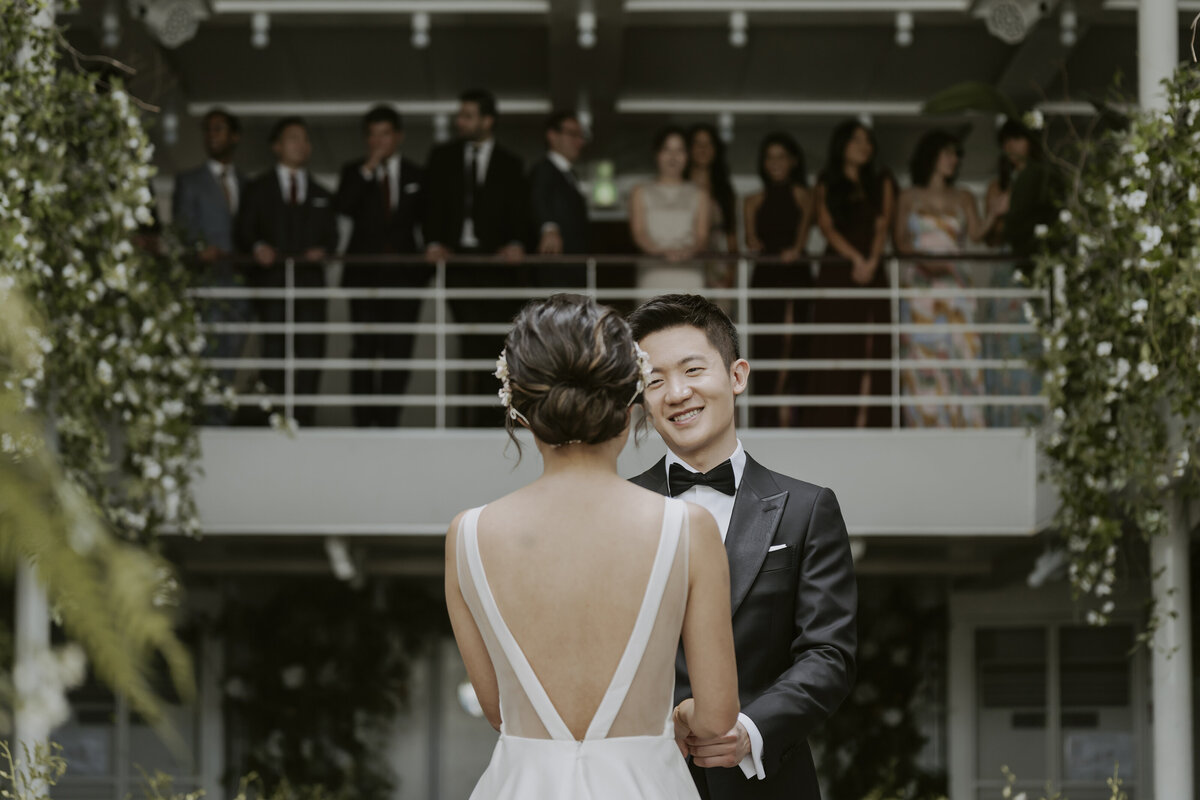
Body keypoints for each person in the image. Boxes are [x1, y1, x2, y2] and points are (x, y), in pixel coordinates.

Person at [445, 294, 739, 799]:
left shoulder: (468, 534)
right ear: (631, 405)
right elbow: (716, 718)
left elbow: (499, 711)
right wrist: (683, 715)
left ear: (519, 410)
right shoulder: (687, 527)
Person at [628, 294, 857, 800]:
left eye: (692, 369)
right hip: (643, 779)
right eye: (656, 380)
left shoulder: (807, 508)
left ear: (737, 375)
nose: (677, 393)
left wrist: (748, 730)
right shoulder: (617, 510)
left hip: (768, 782)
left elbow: (829, 653)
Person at [423, 89, 529, 426]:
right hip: (457, 262)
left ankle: (490, 418)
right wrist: (433, 241)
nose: (460, 121)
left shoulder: (511, 164)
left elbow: (520, 213)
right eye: (461, 115)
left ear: (488, 120)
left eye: (468, 115)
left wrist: (515, 242)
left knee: (494, 343)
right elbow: (430, 206)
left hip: (496, 266)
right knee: (467, 340)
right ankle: (465, 417)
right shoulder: (442, 157)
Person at [894, 130, 1004, 428]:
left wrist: (994, 213)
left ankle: (964, 421)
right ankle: (925, 421)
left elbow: (978, 234)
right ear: (931, 156)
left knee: (960, 349)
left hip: (954, 284)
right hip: (921, 285)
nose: (953, 160)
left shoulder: (964, 195)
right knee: (923, 354)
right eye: (948, 153)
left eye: (956, 155)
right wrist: (925, 261)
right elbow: (900, 241)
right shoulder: (908, 196)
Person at [236, 116, 337, 428]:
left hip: (310, 286)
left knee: (310, 350)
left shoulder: (322, 191)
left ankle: (303, 419)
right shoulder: (257, 188)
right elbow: (243, 231)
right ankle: (274, 417)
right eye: (293, 138)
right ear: (276, 146)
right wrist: (257, 247)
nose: (301, 145)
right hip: (273, 284)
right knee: (275, 351)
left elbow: (332, 238)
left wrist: (323, 251)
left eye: (305, 139)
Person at [335, 105, 427, 428]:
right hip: (364, 278)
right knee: (363, 350)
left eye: (385, 134)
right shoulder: (353, 172)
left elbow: (428, 224)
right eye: (372, 135)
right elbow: (343, 206)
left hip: (405, 279)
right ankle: (363, 421)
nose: (378, 141)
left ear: (398, 136)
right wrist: (369, 168)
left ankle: (388, 420)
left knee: (398, 351)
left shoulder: (418, 174)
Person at [805, 119, 896, 428]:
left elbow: (883, 224)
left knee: (873, 341)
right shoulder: (826, 181)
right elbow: (827, 227)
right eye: (857, 140)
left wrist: (871, 260)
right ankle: (835, 418)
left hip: (873, 267)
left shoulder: (881, 179)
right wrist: (856, 258)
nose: (864, 147)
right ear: (842, 145)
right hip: (839, 269)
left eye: (868, 141)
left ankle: (869, 419)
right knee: (837, 342)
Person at [172, 108, 249, 421]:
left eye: (218, 129)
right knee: (207, 356)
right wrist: (198, 252)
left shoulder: (247, 182)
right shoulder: (188, 182)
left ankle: (222, 417)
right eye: (207, 130)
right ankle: (208, 418)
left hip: (239, 285)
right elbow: (180, 233)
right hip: (205, 283)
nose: (211, 136)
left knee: (232, 356)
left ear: (234, 136)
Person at [742, 132, 814, 428]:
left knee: (795, 338)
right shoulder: (752, 201)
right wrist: (763, 247)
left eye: (781, 156)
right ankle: (767, 414)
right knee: (768, 342)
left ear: (793, 160)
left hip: (795, 272)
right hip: (767, 274)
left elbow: (802, 239)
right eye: (770, 157)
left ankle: (793, 413)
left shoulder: (803, 195)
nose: (775, 163)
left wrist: (794, 251)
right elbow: (751, 240)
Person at [982, 119, 1047, 426]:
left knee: (1034, 343)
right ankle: (1007, 418)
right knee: (1007, 344)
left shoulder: (1045, 179)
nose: (1012, 147)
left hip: (1035, 269)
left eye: (1017, 139)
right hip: (1007, 271)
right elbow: (991, 238)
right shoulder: (999, 186)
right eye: (1006, 141)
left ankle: (1036, 416)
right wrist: (998, 213)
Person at [630, 127, 710, 291]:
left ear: (687, 156)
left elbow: (702, 237)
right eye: (667, 149)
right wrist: (660, 252)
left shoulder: (700, 193)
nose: (673, 157)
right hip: (653, 272)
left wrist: (688, 252)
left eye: (679, 150)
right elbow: (639, 233)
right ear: (657, 154)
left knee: (690, 316)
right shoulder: (639, 191)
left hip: (689, 272)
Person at [528, 111, 589, 288]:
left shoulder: (570, 174)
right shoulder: (543, 169)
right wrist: (549, 227)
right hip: (555, 265)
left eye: (581, 135)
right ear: (552, 136)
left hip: (571, 264)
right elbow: (538, 198)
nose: (580, 141)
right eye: (572, 134)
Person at [687, 123, 738, 291]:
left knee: (716, 314)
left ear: (716, 150)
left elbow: (731, 235)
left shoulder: (724, 190)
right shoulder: (680, 187)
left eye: (708, 144)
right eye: (697, 143)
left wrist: (731, 271)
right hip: (686, 258)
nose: (703, 149)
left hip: (718, 262)